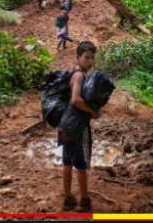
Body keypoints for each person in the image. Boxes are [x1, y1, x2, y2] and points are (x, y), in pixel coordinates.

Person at [59, 41, 99, 212]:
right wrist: (92, 112)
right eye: (86, 57)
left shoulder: (71, 72)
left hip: (65, 123)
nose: (90, 61)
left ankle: (68, 198)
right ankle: (84, 200)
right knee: (81, 165)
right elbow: (75, 99)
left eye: (92, 58)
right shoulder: (80, 76)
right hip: (77, 126)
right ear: (78, 57)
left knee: (67, 162)